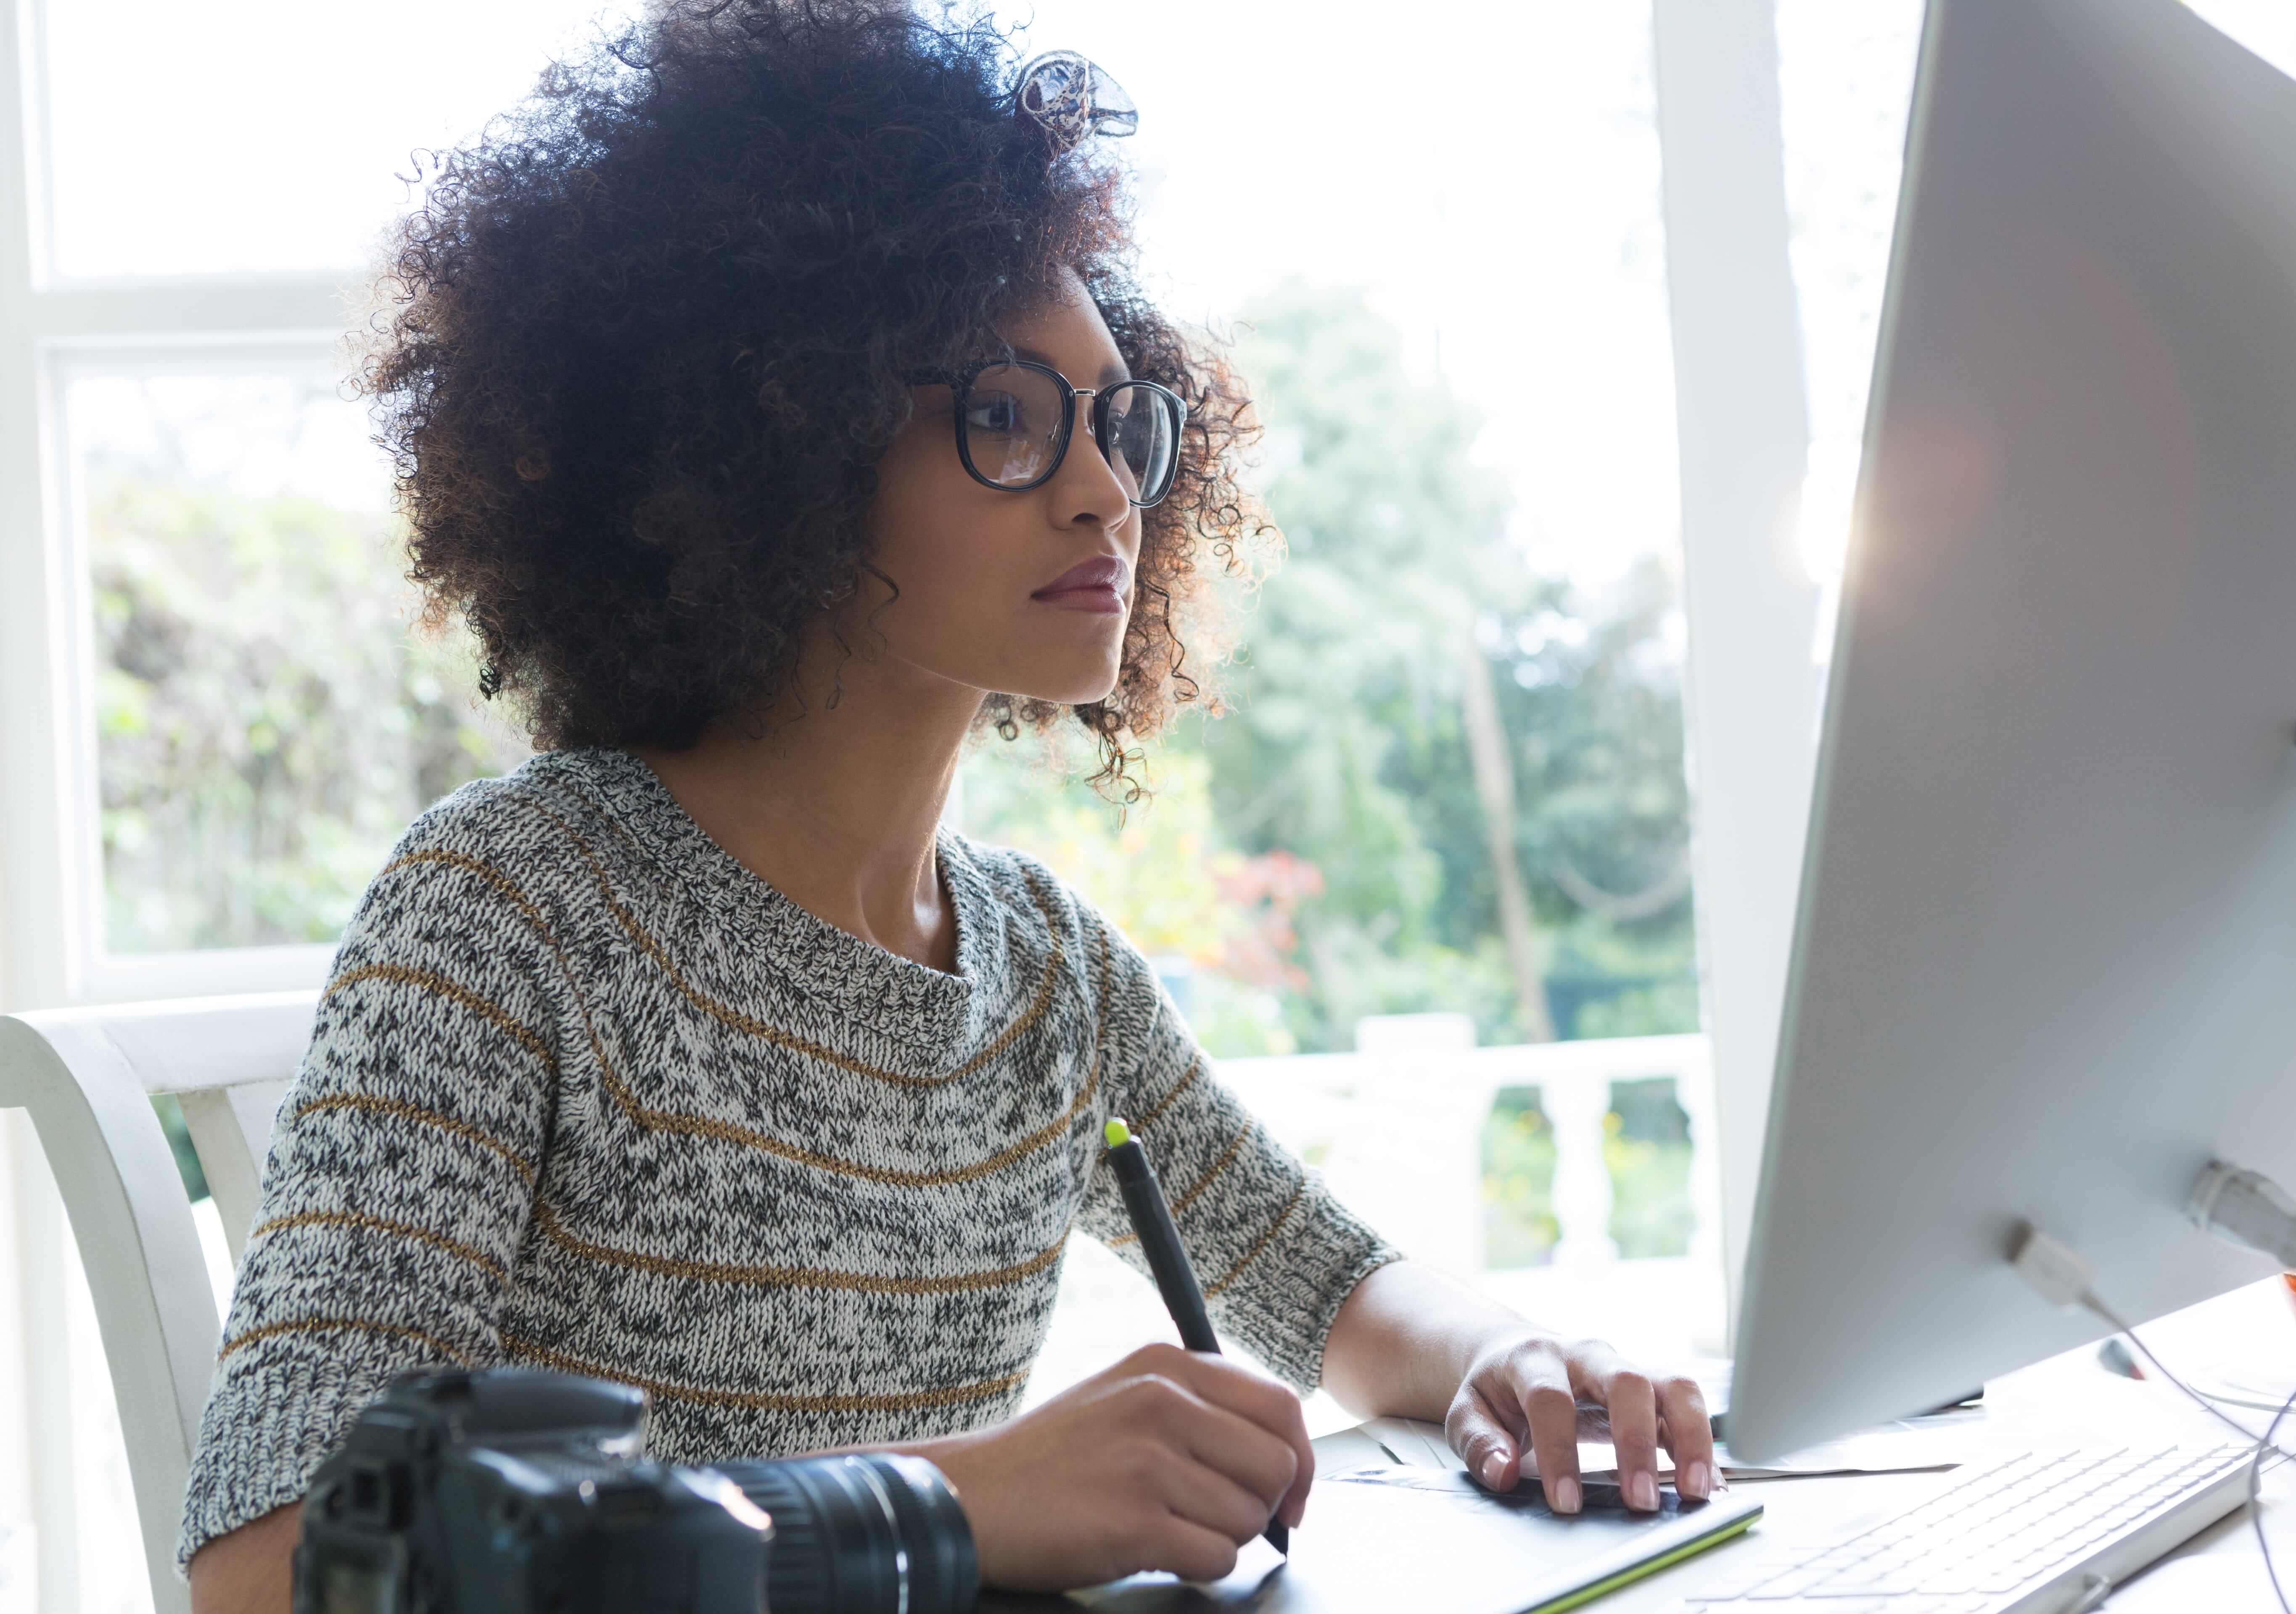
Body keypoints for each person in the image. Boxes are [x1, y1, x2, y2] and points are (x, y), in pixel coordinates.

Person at [180, 4, 1713, 1608]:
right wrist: (947, 1504)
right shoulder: (511, 906)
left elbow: (1332, 1288)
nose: (1105, 488)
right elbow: (277, 1561)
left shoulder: (1043, 966)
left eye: (1118, 422)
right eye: (1002, 418)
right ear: (774, 444)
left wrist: (1513, 1361)